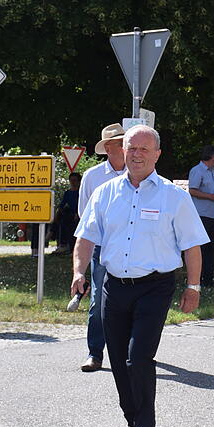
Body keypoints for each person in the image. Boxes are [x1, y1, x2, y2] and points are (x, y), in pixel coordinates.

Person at [71, 125, 206, 427]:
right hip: (114, 286)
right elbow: (85, 238)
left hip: (155, 287)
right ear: (123, 151)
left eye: (144, 149)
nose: (137, 154)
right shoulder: (106, 192)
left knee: (139, 358)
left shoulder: (174, 196)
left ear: (157, 154)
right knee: (118, 361)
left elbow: (192, 245)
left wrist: (193, 287)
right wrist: (78, 271)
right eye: (132, 148)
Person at [76, 123, 127, 373]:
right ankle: (95, 353)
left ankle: (131, 351)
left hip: (133, 246)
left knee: (130, 300)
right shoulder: (92, 176)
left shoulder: (140, 173)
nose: (127, 148)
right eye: (121, 143)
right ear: (108, 148)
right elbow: (83, 215)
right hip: (101, 247)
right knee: (98, 301)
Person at [188, 145, 214, 287]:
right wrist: (211, 197)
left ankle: (208, 279)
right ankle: (197, 279)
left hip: (213, 215)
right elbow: (192, 190)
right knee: (201, 249)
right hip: (202, 215)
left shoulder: (212, 171)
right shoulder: (197, 171)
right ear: (212, 156)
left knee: (211, 249)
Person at [53, 172, 82, 254]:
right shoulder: (68, 193)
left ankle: (72, 248)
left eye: (75, 180)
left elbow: (81, 204)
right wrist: (57, 214)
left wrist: (77, 213)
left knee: (72, 226)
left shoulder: (81, 193)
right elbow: (62, 204)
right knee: (60, 221)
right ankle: (62, 245)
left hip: (78, 214)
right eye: (71, 180)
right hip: (68, 215)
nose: (73, 182)